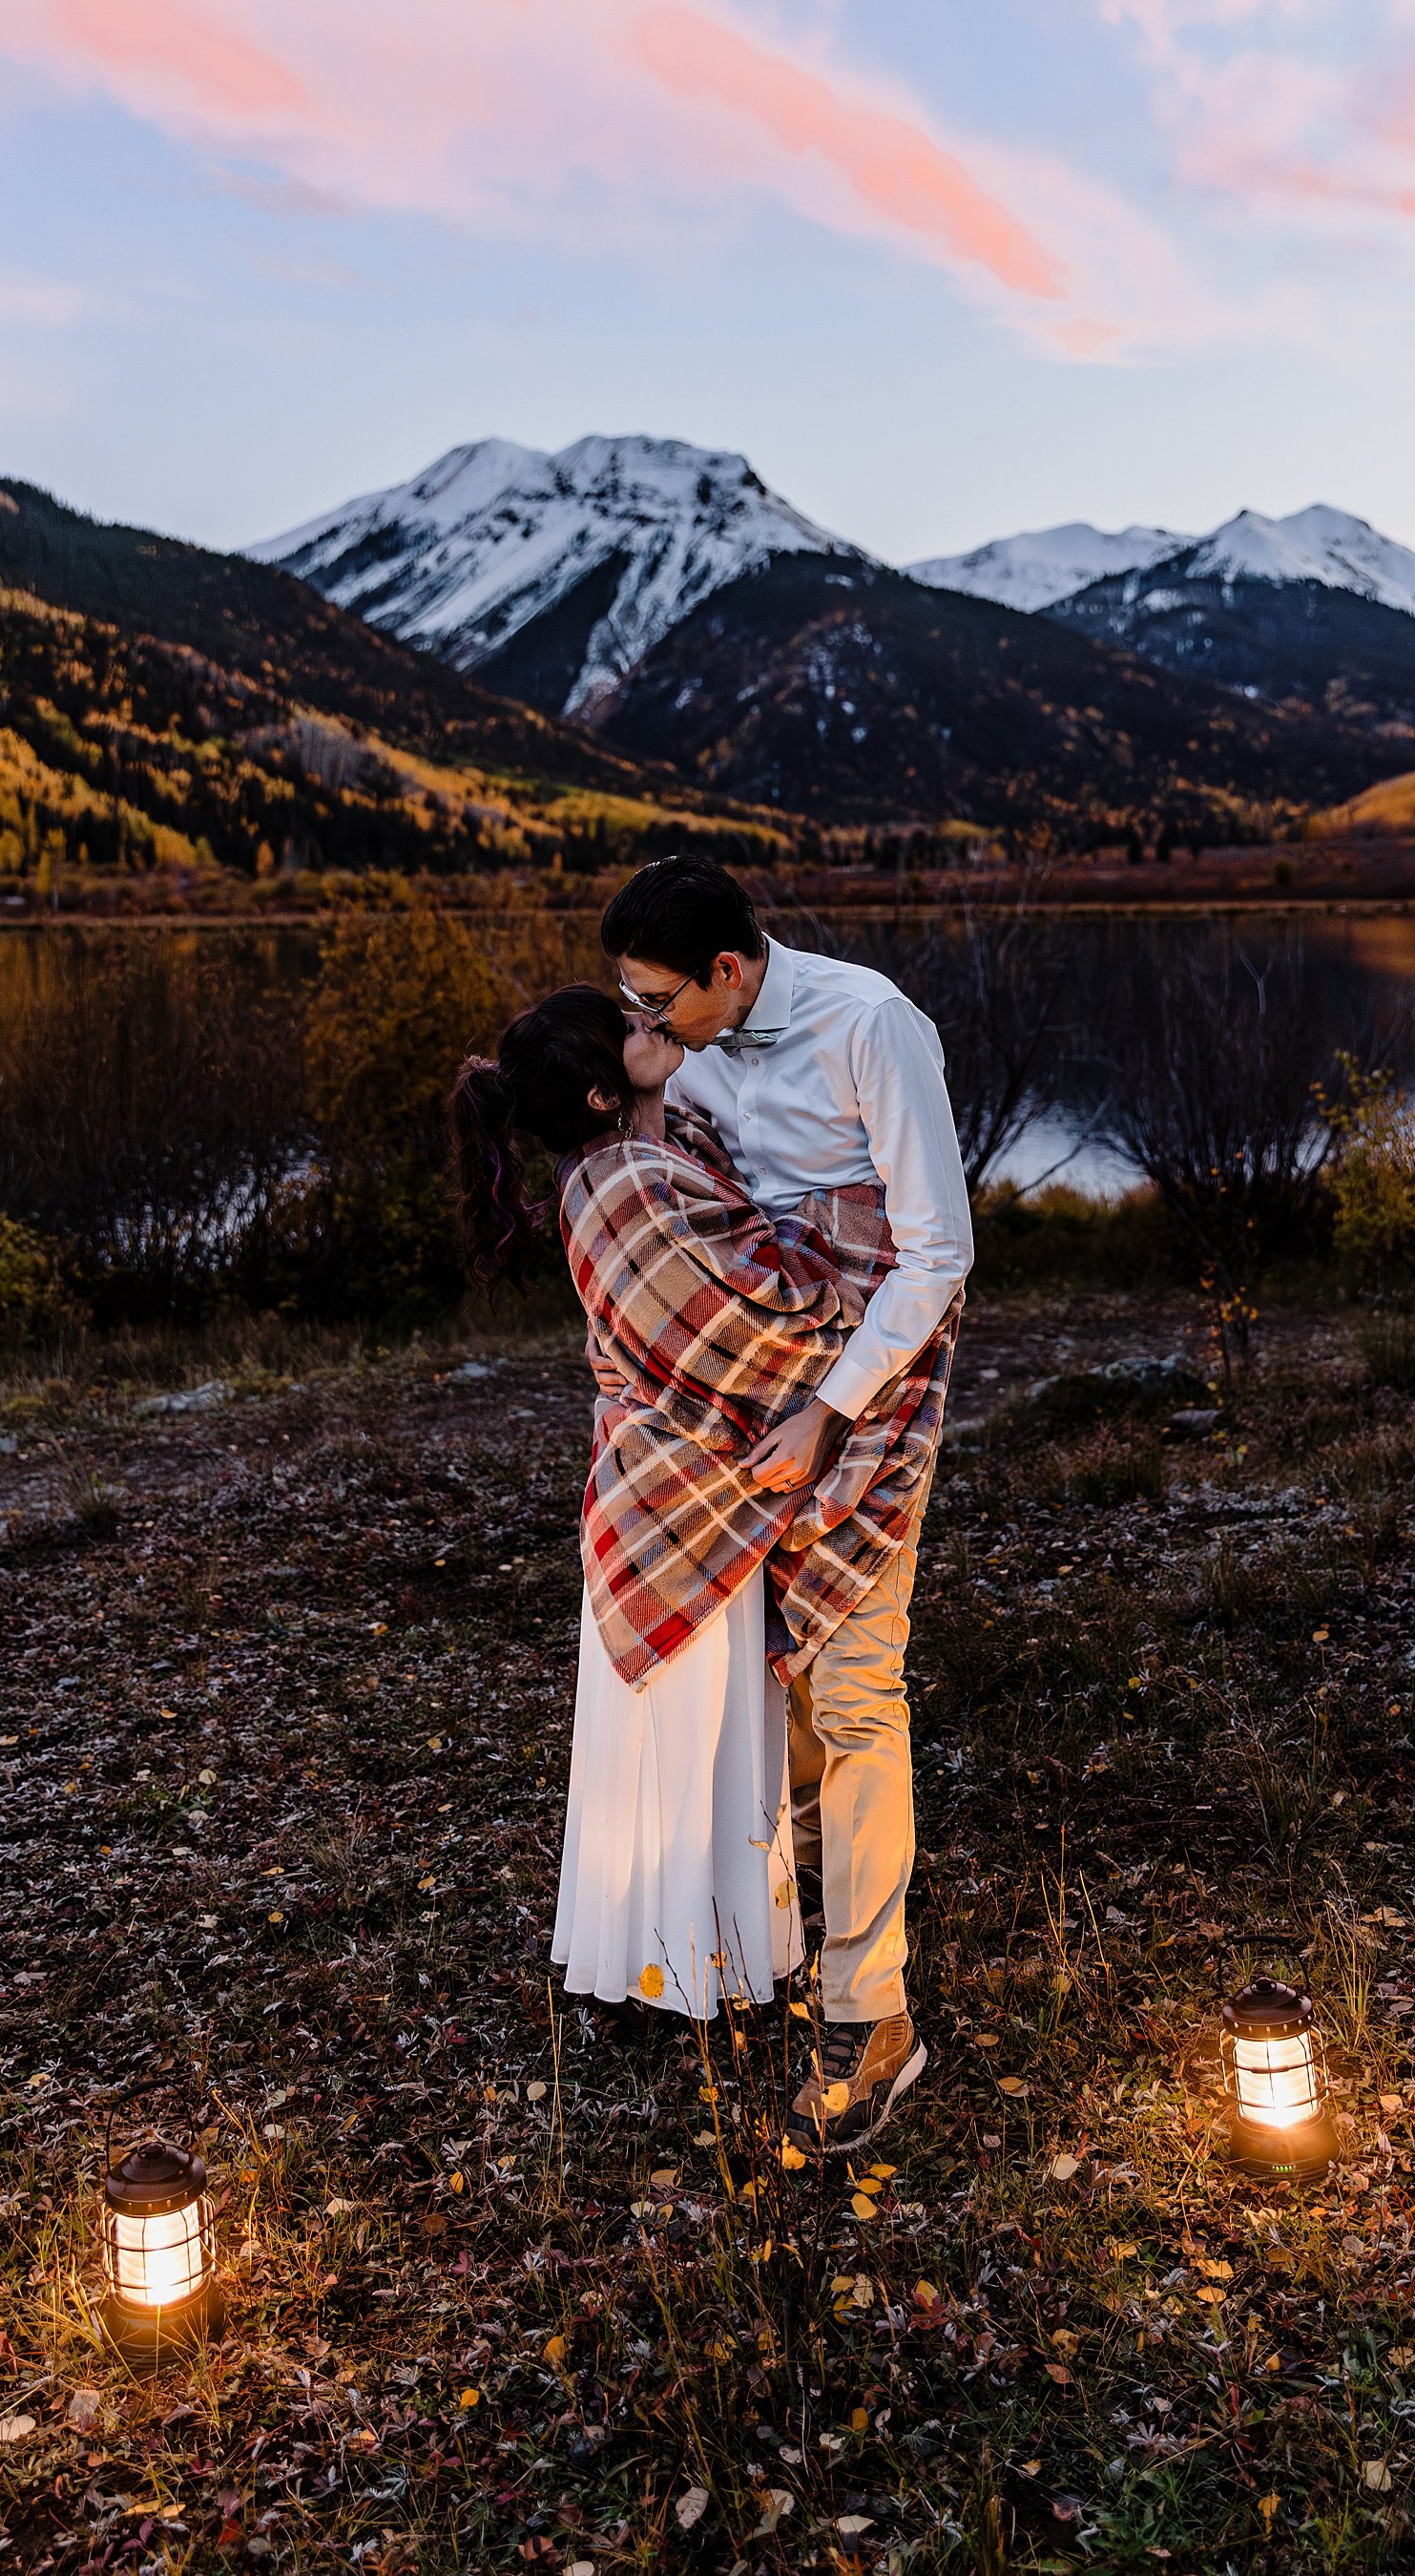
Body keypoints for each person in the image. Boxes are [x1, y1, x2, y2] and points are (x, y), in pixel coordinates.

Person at [449, 987, 952, 2149]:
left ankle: (723, 1953)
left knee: (728, 1741)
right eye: (632, 1023)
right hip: (682, 1498)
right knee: (694, 1742)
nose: (654, 1024)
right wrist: (856, 1258)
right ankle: (696, 1963)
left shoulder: (658, 1151)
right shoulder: (627, 1184)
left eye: (657, 1001)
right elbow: (754, 1318)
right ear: (598, 1085)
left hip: (678, 1492)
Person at [600, 859, 971, 2156]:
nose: (645, 1027)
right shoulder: (690, 1063)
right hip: (746, 1411)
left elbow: (939, 1250)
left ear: (732, 973)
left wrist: (833, 1407)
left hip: (868, 1397)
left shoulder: (872, 1026)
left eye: (659, 1002)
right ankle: (782, 1935)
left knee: (861, 1689)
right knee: (782, 1686)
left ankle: (876, 2013)